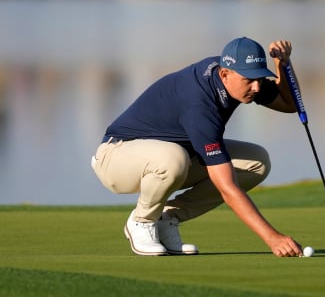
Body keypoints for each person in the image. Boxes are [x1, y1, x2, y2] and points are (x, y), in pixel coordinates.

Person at [91, 37, 303, 257]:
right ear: (224, 74)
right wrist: (272, 237)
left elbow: (289, 104)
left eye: (260, 78)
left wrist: (283, 65)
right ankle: (142, 220)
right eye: (249, 80)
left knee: (256, 162)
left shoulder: (233, 73)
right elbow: (227, 188)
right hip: (115, 157)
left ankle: (167, 218)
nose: (257, 87)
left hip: (171, 155)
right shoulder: (200, 104)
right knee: (174, 160)